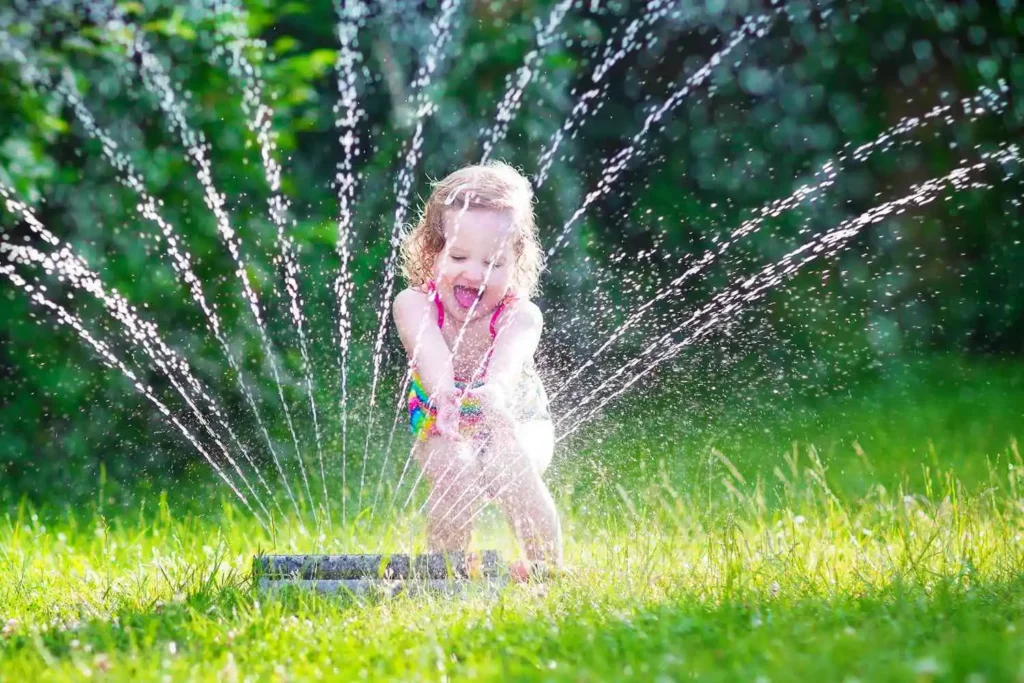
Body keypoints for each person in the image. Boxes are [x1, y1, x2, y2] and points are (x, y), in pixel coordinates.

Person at [393, 160, 562, 575]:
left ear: (515, 264)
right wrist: (446, 394)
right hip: (439, 411)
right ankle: (444, 572)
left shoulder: (519, 314)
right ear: (432, 252)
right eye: (459, 255)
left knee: (511, 467)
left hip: (515, 414)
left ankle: (546, 570)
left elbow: (508, 362)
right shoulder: (413, 304)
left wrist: (494, 396)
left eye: (493, 263)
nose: (475, 273)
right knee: (454, 475)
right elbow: (428, 349)